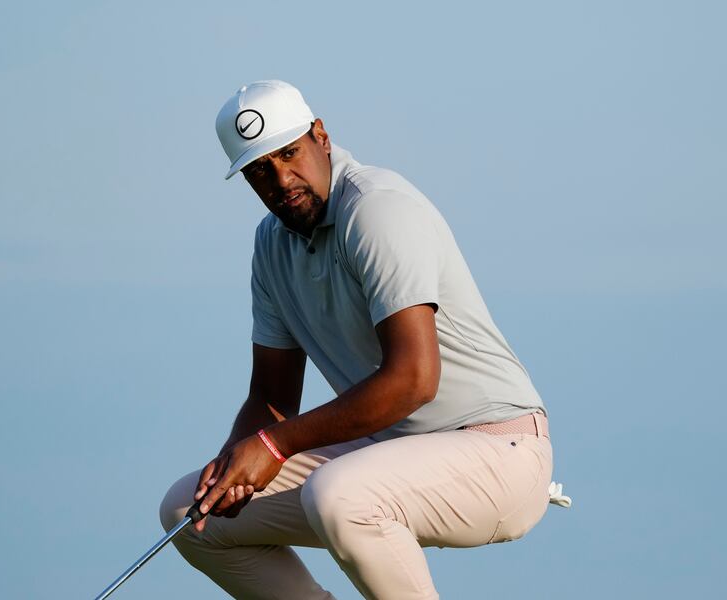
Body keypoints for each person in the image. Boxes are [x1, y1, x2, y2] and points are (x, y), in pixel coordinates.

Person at [159, 80, 557, 600]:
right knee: (190, 513)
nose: (281, 179)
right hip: (390, 451)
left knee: (340, 496)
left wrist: (271, 446)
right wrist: (235, 461)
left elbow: (414, 380)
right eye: (260, 170)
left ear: (320, 135)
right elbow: (271, 399)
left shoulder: (376, 208)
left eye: (288, 153)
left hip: (499, 448)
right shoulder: (271, 246)